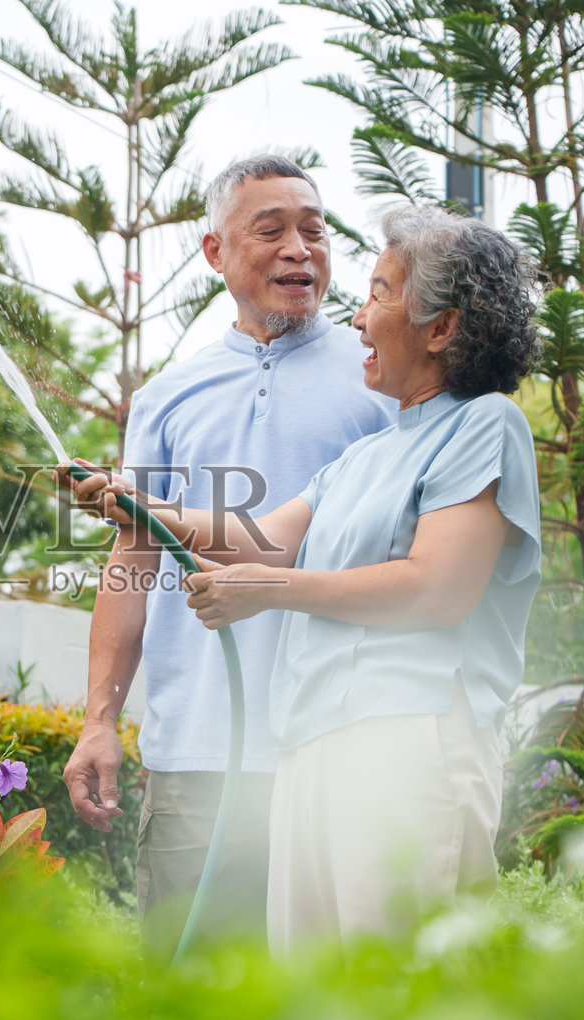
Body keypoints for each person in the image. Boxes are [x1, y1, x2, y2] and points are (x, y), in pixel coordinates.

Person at [62, 204, 542, 952]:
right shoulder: (363, 458)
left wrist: (268, 592)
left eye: (380, 292)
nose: (356, 317)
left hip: (409, 744)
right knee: (315, 1002)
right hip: (313, 744)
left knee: (399, 996)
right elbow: (265, 538)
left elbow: (435, 589)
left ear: (441, 328)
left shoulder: (485, 425)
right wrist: (138, 504)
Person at [60, 155, 396, 954]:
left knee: (331, 1011)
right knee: (193, 1007)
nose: (298, 250)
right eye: (270, 230)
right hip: (196, 759)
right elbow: (131, 559)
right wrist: (98, 720)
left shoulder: (381, 378)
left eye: (313, 230)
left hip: (337, 746)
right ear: (215, 252)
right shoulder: (168, 396)